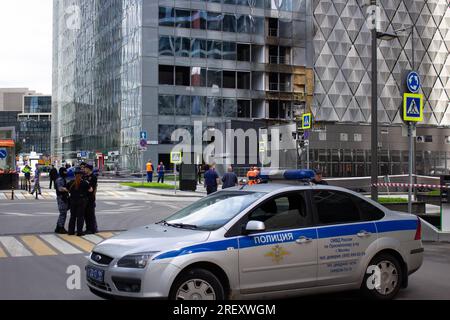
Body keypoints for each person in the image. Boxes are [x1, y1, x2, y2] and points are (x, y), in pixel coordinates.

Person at [67, 168, 92, 236]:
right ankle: (79, 232)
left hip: (72, 201)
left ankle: (71, 231)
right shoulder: (84, 182)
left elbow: (65, 189)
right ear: (81, 175)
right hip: (81, 201)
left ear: (74, 175)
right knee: (80, 217)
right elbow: (90, 190)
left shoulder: (71, 182)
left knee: (73, 216)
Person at [84, 164, 98, 234]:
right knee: (86, 214)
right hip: (85, 198)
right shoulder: (85, 176)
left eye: (85, 168)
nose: (84, 169)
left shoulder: (93, 177)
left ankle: (92, 229)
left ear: (89, 169)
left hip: (90, 198)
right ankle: (88, 228)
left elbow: (92, 188)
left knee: (90, 214)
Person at [54, 167, 70, 234]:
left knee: (63, 213)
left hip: (64, 197)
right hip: (61, 198)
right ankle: (60, 228)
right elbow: (60, 188)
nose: (66, 172)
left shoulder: (62, 178)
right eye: (65, 171)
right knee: (63, 213)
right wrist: (68, 189)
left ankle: (58, 227)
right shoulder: (60, 179)